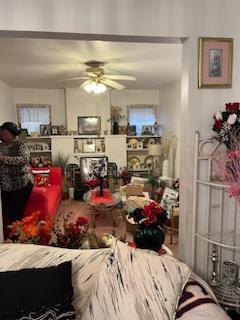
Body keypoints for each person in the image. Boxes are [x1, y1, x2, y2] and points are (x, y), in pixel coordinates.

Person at [0, 122, 34, 232]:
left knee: (16, 213)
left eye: (3, 132)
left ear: (10, 133)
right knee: (9, 213)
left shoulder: (20, 145)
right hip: (5, 186)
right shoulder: (0, 146)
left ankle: (17, 237)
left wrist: (3, 159)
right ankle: (12, 235)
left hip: (21, 183)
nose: (1, 134)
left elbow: (24, 159)